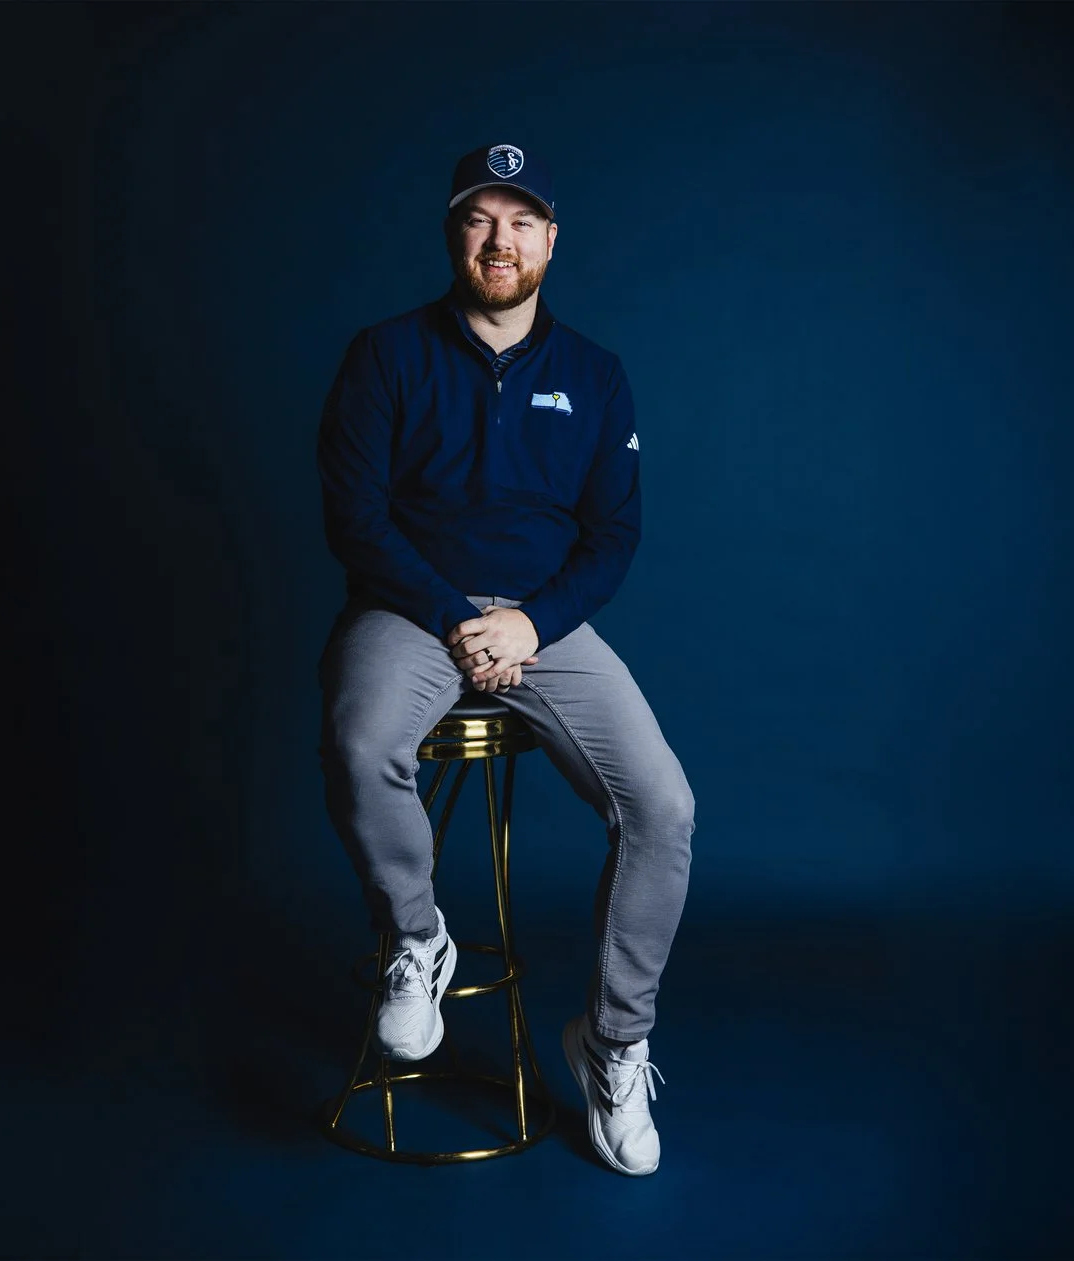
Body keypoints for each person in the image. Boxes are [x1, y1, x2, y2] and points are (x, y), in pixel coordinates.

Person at [315, 143, 695, 1176]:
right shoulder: (385, 354)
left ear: (550, 240)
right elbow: (354, 517)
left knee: (663, 807)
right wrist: (452, 616)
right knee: (358, 743)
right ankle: (418, 938)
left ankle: (612, 1044)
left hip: (545, 624)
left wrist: (532, 623)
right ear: (453, 233)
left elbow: (613, 535)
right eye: (480, 218)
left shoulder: (595, 375)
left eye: (521, 221)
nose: (500, 240)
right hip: (409, 609)